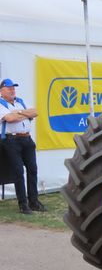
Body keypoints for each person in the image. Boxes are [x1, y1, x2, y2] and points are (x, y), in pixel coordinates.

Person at [0, 78, 46, 214]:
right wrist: (25, 114)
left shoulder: (20, 101)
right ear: (1, 91)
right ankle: (23, 204)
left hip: (27, 139)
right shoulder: (1, 104)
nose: (12, 90)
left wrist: (19, 113)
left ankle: (34, 202)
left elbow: (35, 112)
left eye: (13, 88)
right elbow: (9, 119)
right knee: (18, 172)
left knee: (33, 170)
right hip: (11, 140)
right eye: (9, 88)